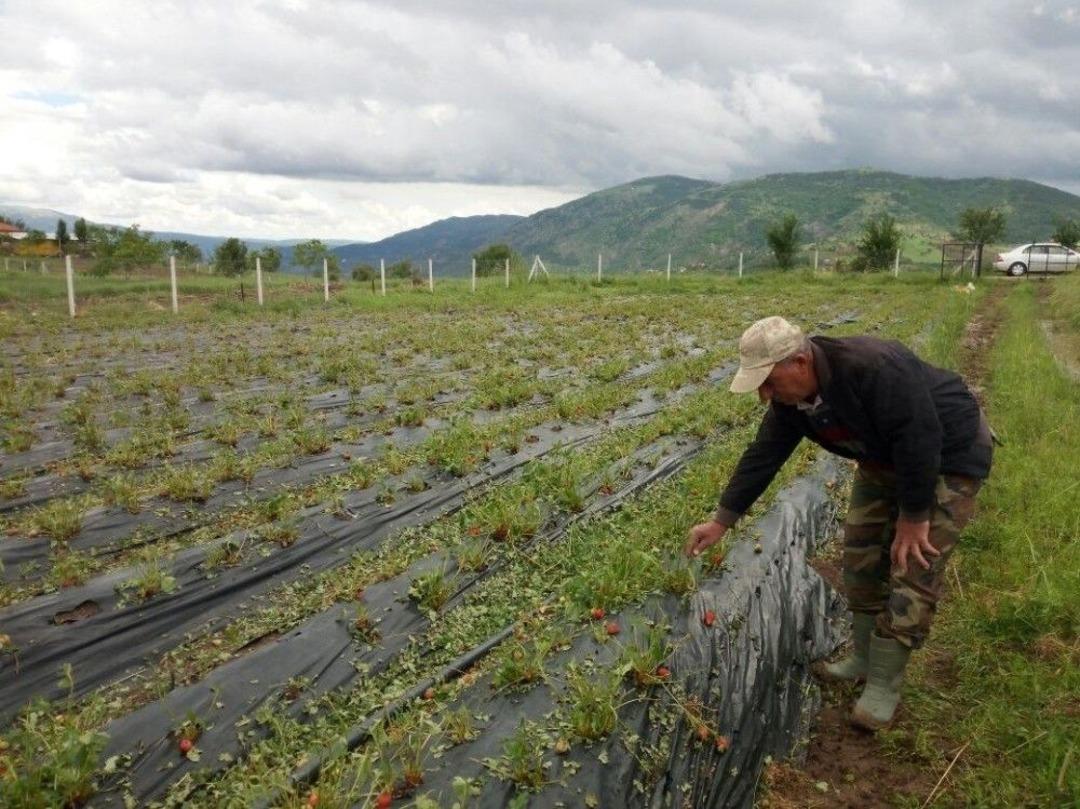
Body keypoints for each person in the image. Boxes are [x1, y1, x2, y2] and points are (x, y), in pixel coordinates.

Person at [685, 316, 992, 730]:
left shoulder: (873, 367)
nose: (764, 395)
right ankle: (864, 657)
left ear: (799, 361)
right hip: (881, 459)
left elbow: (920, 436)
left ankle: (883, 685)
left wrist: (914, 517)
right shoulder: (790, 403)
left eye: (769, 382)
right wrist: (721, 521)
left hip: (945, 459)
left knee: (913, 564)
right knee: (861, 557)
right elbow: (764, 454)